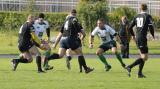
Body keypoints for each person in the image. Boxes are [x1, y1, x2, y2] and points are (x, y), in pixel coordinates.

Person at [44, 9, 94, 73]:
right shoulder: (74, 19)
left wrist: (55, 44)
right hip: (70, 38)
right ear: (75, 14)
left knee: (60, 55)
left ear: (70, 13)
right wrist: (82, 35)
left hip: (63, 39)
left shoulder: (65, 21)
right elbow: (80, 30)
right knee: (80, 53)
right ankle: (86, 69)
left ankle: (47, 58)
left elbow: (60, 34)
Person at [126, 4, 154, 78]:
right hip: (142, 38)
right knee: (145, 57)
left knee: (142, 56)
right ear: (147, 8)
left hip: (138, 37)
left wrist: (133, 35)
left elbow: (129, 28)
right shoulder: (148, 16)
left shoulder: (136, 16)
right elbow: (151, 27)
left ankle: (139, 73)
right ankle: (130, 67)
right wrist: (153, 35)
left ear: (140, 9)